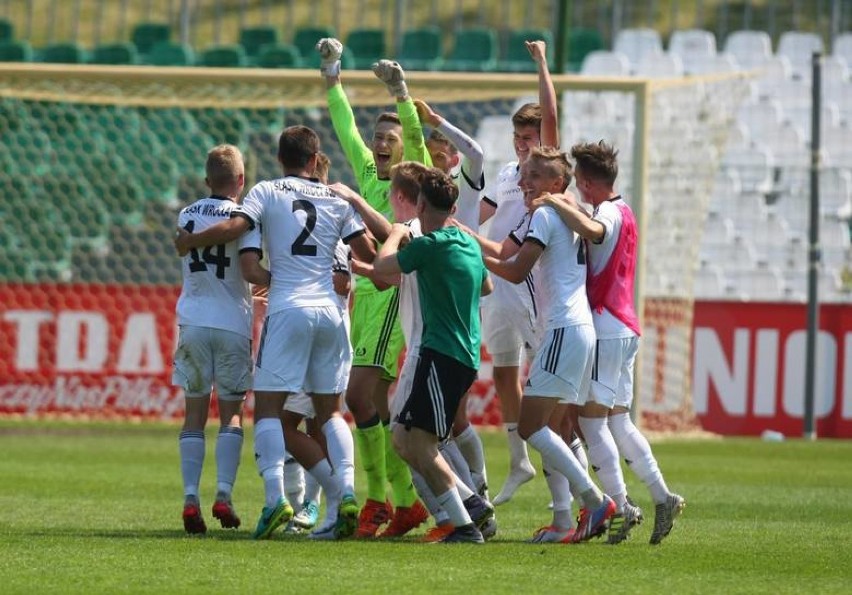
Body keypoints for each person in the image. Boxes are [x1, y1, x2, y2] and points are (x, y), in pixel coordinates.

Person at [175, 125, 377, 540]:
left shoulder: (265, 192)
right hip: (332, 313)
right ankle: (347, 493)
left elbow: (240, 242)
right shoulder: (337, 199)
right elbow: (368, 254)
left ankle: (274, 502)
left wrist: (187, 242)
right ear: (315, 157)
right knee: (331, 413)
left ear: (280, 158)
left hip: (284, 310)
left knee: (267, 411)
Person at [531, 140, 685, 545]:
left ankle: (620, 503)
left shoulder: (607, 213)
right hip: (625, 325)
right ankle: (661, 496)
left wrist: (552, 201)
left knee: (590, 421)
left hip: (606, 324)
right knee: (617, 419)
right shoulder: (627, 210)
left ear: (584, 181)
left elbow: (593, 229)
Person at [332, 163, 495, 543]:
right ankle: (466, 512)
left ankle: (468, 514)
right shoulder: (466, 243)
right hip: (461, 353)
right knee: (405, 438)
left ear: (420, 205)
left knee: (420, 442)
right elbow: (485, 285)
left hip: (440, 353)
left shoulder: (428, 245)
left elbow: (384, 264)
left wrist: (397, 233)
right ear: (452, 210)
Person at [317, 37, 429, 538]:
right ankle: (401, 503)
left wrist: (401, 94)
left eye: (390, 137)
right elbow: (344, 129)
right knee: (374, 406)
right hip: (365, 295)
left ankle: (381, 501)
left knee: (359, 396)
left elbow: (418, 141)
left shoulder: (410, 176)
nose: (381, 143)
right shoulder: (366, 172)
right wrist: (332, 77)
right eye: (379, 136)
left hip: (390, 296)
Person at [484, 146, 615, 544]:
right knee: (556, 428)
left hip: (561, 328)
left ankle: (596, 503)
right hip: (577, 327)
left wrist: (474, 255)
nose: (525, 182)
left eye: (535, 176)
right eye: (524, 174)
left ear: (557, 183)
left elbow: (515, 269)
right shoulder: (564, 212)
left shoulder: (544, 213)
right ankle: (562, 521)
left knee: (530, 425)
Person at [478, 40, 559, 506]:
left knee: (541, 382)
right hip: (497, 286)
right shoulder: (508, 172)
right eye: (517, 137)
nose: (522, 144)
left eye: (528, 138)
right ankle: (518, 460)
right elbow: (482, 212)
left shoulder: (542, 170)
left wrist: (542, 63)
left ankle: (560, 478)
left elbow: (550, 111)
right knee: (504, 372)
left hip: (526, 280)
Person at [173, 144, 261, 535]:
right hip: (231, 324)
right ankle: (223, 494)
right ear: (241, 181)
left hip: (192, 320)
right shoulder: (246, 216)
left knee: (193, 415)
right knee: (232, 416)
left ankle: (190, 497)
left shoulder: (187, 215)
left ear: (207, 181)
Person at [415, 99, 492, 503]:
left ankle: (474, 490)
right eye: (432, 153)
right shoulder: (424, 195)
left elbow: (478, 153)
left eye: (443, 154)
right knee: (445, 417)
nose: (437, 160)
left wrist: (436, 119)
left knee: (448, 419)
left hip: (460, 297)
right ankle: (470, 490)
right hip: (429, 292)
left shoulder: (465, 184)